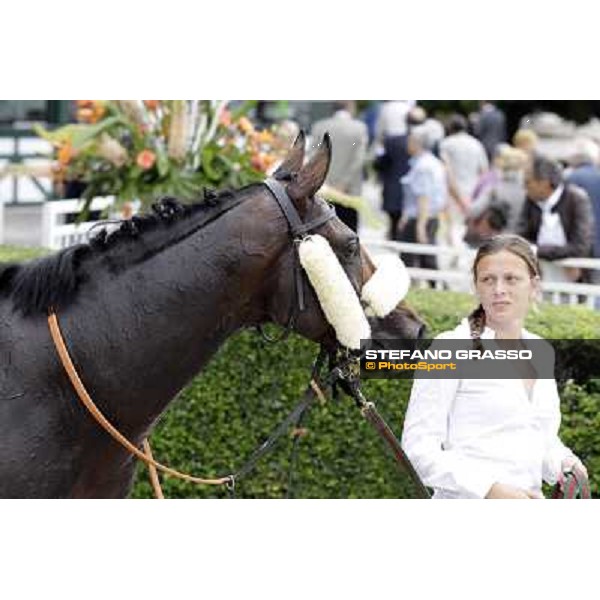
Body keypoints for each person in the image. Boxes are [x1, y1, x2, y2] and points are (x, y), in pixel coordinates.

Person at [401, 234, 587, 499]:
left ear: (534, 286)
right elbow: (419, 448)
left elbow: (540, 439)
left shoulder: (541, 351)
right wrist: (490, 489)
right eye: (488, 279)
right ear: (477, 286)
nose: (499, 289)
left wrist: (565, 463)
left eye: (511, 278)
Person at [516, 155, 595, 283]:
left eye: (528, 182)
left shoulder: (576, 199)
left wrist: (536, 250)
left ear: (544, 183)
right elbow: (520, 237)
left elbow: (580, 246)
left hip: (574, 277)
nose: (524, 187)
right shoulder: (530, 200)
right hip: (539, 275)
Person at [397, 124, 447, 276]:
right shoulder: (430, 162)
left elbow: (423, 197)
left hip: (420, 219)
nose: (407, 143)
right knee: (426, 259)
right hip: (425, 217)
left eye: (410, 140)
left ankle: (434, 289)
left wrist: (420, 225)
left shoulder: (423, 166)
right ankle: (435, 287)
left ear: (417, 143)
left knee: (416, 261)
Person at [310, 101, 368, 232]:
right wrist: (344, 183)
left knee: (322, 234)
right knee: (348, 235)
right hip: (349, 193)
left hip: (323, 190)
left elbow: (312, 156)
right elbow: (358, 159)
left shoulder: (319, 127)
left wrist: (325, 182)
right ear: (350, 106)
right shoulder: (359, 128)